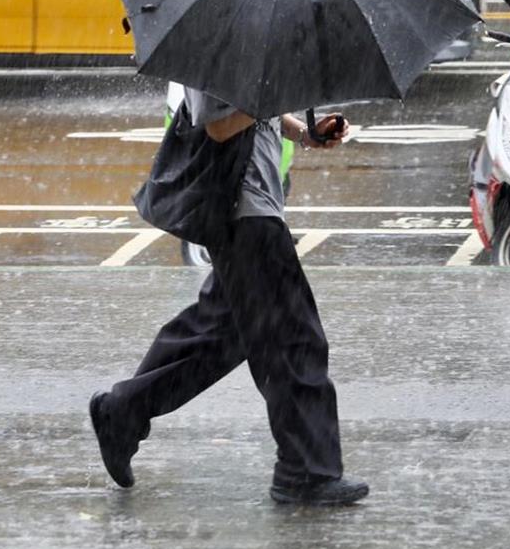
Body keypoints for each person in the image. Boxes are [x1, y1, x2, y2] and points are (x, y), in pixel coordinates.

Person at [90, 89, 369, 506]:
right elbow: (218, 124)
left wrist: (304, 132)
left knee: (220, 333)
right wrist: (267, 101)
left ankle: (123, 412)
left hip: (254, 206)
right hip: (243, 210)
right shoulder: (214, 43)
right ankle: (305, 472)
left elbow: (252, 114)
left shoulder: (246, 39)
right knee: (293, 340)